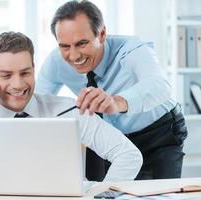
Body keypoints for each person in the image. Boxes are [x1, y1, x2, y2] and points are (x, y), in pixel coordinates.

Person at [0, 31, 142, 186]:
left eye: (25, 73)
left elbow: (129, 155)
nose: (18, 84)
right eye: (6, 75)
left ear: (34, 68)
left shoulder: (69, 111)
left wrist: (104, 195)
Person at [35, 0, 188, 181]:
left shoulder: (132, 49)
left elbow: (159, 86)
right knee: (102, 191)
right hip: (113, 138)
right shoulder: (56, 62)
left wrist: (116, 102)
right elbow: (37, 105)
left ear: (102, 34)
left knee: (153, 193)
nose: (74, 55)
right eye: (65, 46)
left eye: (82, 43)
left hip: (157, 132)